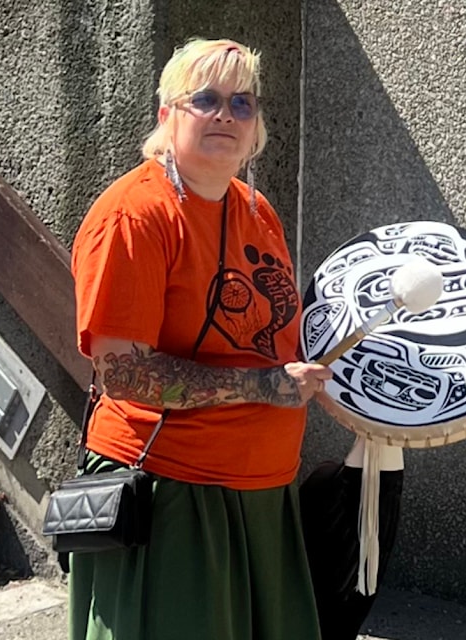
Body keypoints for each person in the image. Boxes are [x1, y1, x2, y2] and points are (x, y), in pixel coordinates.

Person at [68, 38, 333, 639]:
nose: (225, 115)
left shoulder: (256, 210)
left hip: (264, 495)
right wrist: (261, 387)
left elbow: (277, 343)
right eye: (206, 99)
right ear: (167, 116)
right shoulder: (135, 216)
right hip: (174, 497)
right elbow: (124, 374)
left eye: (242, 103)